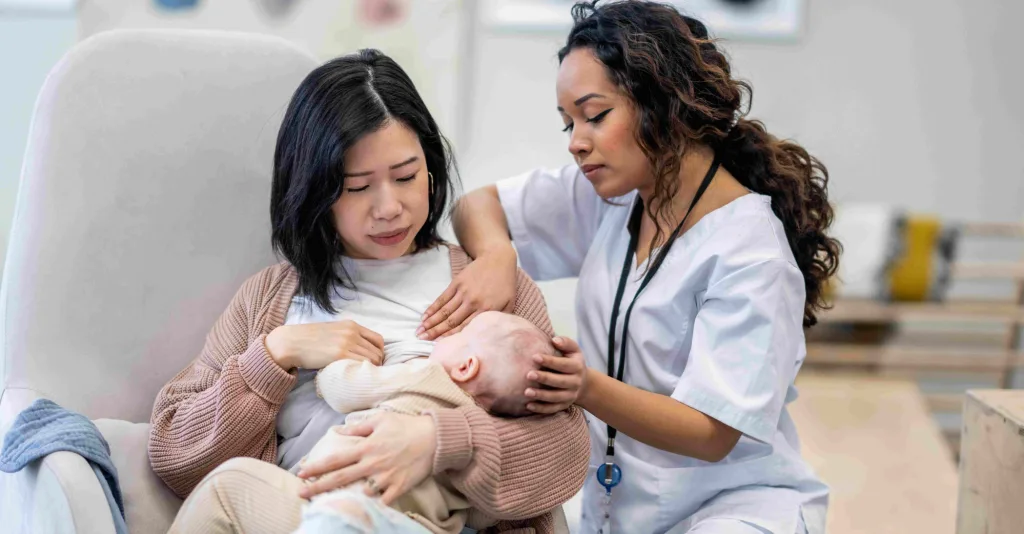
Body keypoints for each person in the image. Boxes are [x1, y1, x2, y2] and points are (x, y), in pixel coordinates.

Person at [425, 2, 841, 533]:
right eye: (568, 123)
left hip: (736, 508)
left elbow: (711, 434)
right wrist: (498, 255)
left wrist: (584, 387)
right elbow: (475, 206)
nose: (576, 141)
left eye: (595, 116)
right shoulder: (612, 196)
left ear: (663, 100)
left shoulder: (750, 252)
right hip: (619, 508)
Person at [151, 49, 589, 534]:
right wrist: (276, 354)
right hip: (305, 516)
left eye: (406, 177)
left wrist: (437, 438)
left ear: (430, 167)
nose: (390, 208)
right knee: (231, 487)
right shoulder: (270, 299)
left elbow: (565, 451)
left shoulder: (487, 288)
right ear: (315, 192)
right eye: (358, 187)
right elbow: (175, 454)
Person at [295, 311, 558, 534]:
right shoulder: (480, 443)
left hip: (350, 502)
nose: (444, 336)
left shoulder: (427, 376)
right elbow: (482, 517)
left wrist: (328, 372)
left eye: (458, 335)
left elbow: (346, 389)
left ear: (466, 367)